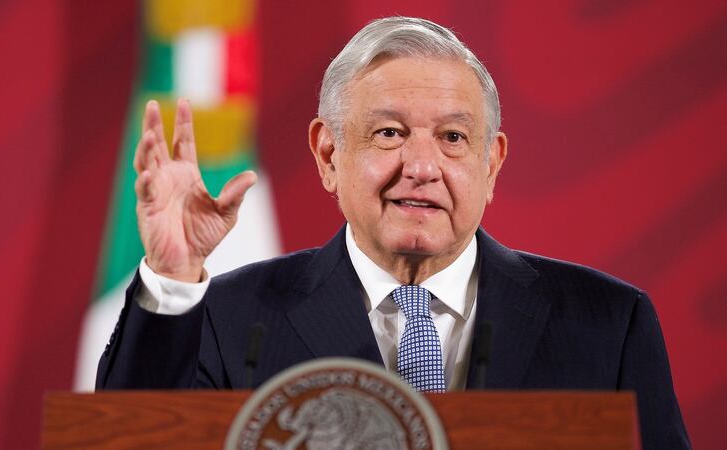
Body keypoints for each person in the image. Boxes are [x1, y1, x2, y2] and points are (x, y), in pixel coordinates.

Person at [96, 17, 690, 448]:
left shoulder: (609, 323)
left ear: (492, 163)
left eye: (453, 138)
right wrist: (173, 275)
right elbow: (127, 443)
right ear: (328, 155)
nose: (423, 166)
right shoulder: (228, 318)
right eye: (388, 134)